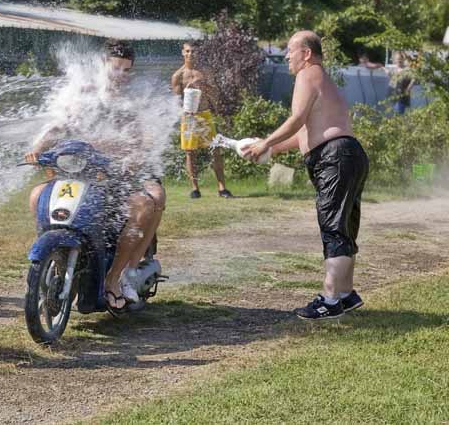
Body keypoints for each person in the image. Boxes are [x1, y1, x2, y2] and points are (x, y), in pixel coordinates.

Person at [26, 39, 165, 313]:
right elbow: (59, 125)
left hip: (118, 173)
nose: (121, 76)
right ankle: (56, 255)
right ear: (102, 65)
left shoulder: (133, 102)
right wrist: (37, 150)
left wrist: (132, 159)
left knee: (147, 204)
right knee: (37, 195)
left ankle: (116, 278)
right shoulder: (85, 94)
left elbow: (141, 142)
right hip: (81, 171)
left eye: (127, 71)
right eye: (116, 69)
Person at [244, 31, 369, 320]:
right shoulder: (320, 80)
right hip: (348, 155)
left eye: (290, 50)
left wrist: (265, 142)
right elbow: (303, 133)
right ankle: (346, 294)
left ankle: (329, 299)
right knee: (344, 228)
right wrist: (269, 148)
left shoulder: (308, 74)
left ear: (307, 53)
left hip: (335, 157)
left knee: (333, 227)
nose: (287, 56)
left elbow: (296, 119)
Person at [170, 42, 232, 199]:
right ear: (183, 53)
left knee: (215, 150)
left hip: (204, 114)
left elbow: (215, 94)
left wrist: (202, 85)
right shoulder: (178, 76)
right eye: (188, 51)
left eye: (194, 51)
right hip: (189, 116)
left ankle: (222, 188)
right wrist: (186, 90)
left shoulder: (204, 72)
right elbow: (176, 101)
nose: (191, 54)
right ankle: (195, 188)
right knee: (190, 153)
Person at [388, 51, 414, 115]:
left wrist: (408, 88)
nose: (398, 60)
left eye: (400, 58)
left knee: (398, 115)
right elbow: (392, 81)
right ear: (394, 60)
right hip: (393, 97)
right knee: (395, 115)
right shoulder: (394, 69)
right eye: (397, 59)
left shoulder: (407, 69)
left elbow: (414, 78)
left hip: (402, 97)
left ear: (403, 59)